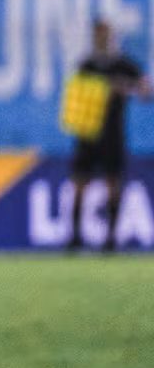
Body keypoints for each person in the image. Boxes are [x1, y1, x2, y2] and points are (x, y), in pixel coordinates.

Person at [68, 17, 151, 251]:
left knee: (113, 182)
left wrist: (126, 87)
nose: (101, 38)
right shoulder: (86, 65)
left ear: (111, 36)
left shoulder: (123, 65)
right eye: (98, 33)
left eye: (105, 33)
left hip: (112, 134)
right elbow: (75, 95)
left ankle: (111, 238)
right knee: (79, 183)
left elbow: (146, 90)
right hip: (88, 131)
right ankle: (75, 237)